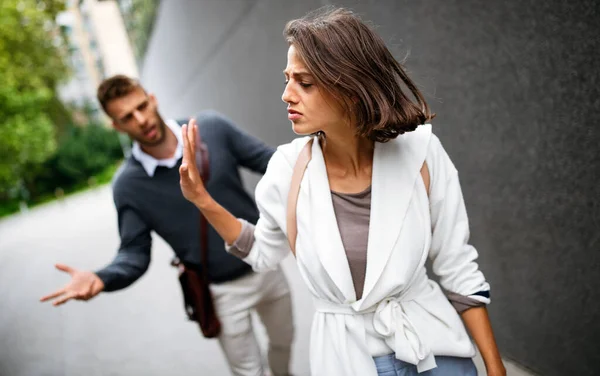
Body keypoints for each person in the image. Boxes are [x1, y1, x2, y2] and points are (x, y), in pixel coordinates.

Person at [178, 7, 506, 376]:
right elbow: (263, 252)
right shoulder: (287, 170)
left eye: (305, 83)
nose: (287, 95)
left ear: (349, 85)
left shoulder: (421, 151)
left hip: (436, 350)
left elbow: (457, 266)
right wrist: (201, 200)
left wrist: (495, 368)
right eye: (287, 79)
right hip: (349, 359)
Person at [40, 75, 295, 376]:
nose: (141, 119)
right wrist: (103, 278)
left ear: (152, 99)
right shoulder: (129, 185)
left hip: (266, 264)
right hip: (220, 292)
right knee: (249, 372)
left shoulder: (211, 128)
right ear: (116, 126)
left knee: (283, 344)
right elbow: (134, 253)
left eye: (142, 106)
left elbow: (272, 163)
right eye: (127, 117)